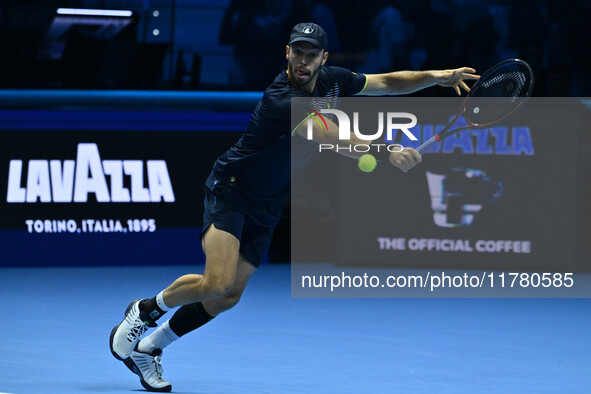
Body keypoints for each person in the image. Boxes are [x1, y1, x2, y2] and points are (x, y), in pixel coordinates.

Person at [109, 22, 479, 392]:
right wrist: (386, 150)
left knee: (230, 296)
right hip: (233, 189)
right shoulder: (281, 98)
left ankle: (151, 348)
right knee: (216, 281)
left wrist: (437, 76)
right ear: (287, 52)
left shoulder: (332, 80)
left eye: (311, 54)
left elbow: (388, 83)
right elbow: (327, 134)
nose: (303, 61)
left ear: (323, 57)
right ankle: (145, 310)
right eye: (297, 52)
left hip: (269, 199)